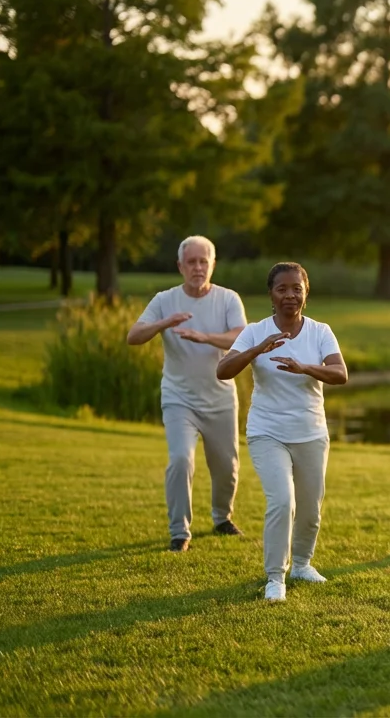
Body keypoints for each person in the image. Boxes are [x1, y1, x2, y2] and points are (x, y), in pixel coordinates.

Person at [216, 262, 348, 603]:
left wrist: (306, 367)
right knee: (282, 501)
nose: (290, 295)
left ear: (306, 293)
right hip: (267, 431)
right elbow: (223, 370)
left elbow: (339, 374)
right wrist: (257, 349)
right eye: (282, 289)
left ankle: (302, 564)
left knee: (310, 508)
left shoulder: (320, 332)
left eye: (297, 289)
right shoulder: (255, 331)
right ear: (271, 295)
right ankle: (276, 578)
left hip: (311, 432)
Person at [127, 236, 247, 553]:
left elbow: (240, 337)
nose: (197, 267)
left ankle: (222, 518)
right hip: (179, 397)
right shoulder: (165, 300)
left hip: (220, 398)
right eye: (191, 262)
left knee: (227, 468)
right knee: (180, 459)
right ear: (180, 266)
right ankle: (179, 532)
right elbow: (134, 335)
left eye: (203, 261)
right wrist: (166, 322)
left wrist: (203, 336)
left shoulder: (228, 299)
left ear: (212, 265)